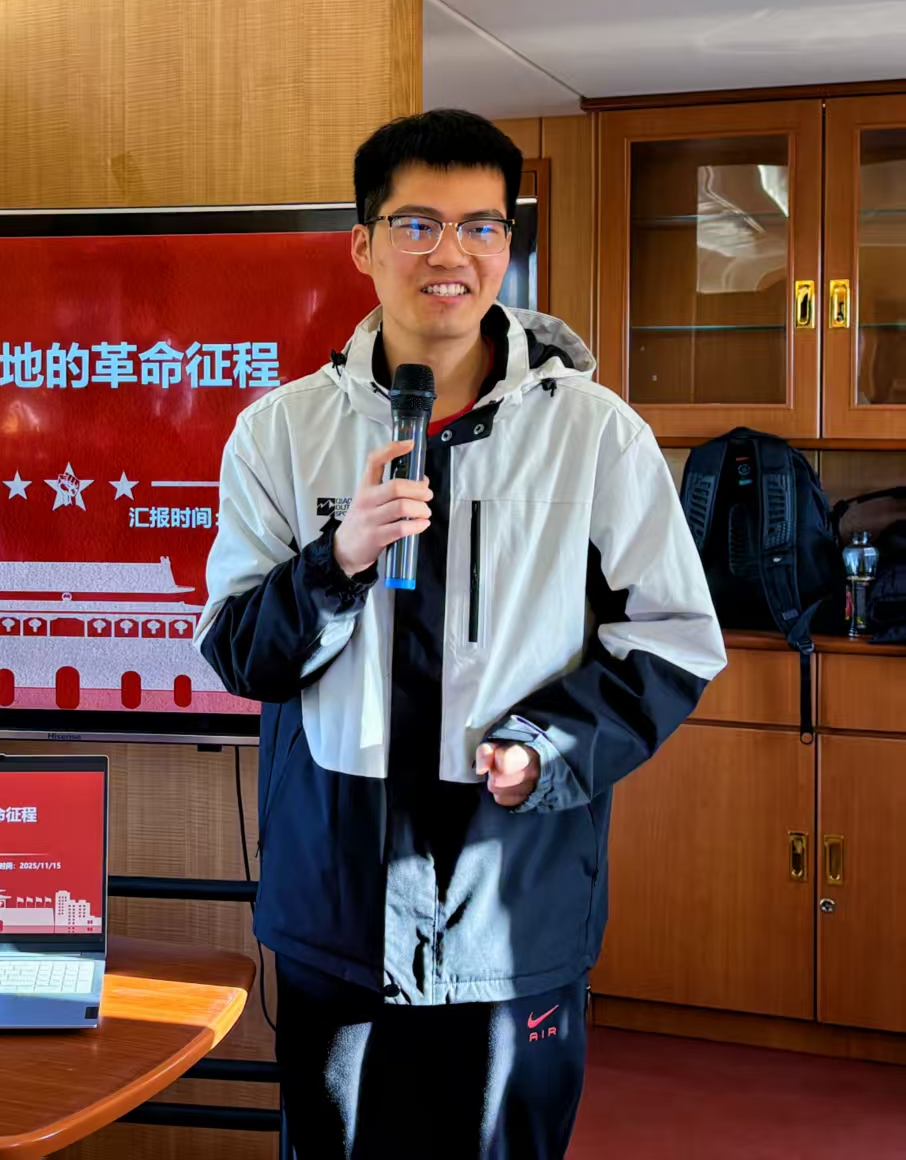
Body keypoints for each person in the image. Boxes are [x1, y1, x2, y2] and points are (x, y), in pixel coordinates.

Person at [197, 109, 726, 1159]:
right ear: (362, 245)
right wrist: (337, 559)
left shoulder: (594, 432)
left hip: (510, 900)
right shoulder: (278, 432)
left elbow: (673, 637)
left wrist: (549, 746)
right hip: (336, 903)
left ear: (506, 245)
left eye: (481, 226)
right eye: (418, 224)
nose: (451, 254)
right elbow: (240, 651)